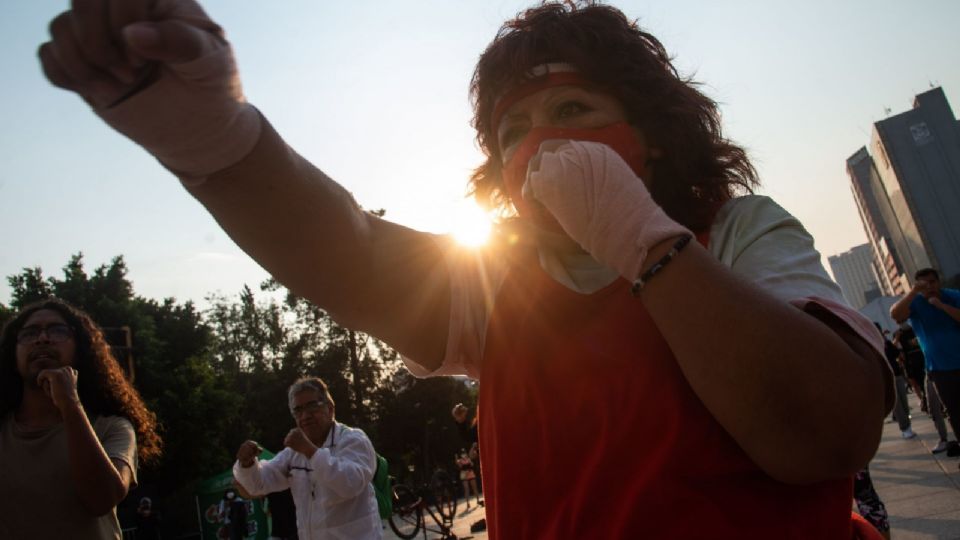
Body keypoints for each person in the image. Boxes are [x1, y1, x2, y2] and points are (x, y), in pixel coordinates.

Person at [38, 2, 893, 538]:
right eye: (513, 129)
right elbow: (358, 251)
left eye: (572, 109)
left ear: (656, 135)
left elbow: (824, 434)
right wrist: (214, 140)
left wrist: (642, 239)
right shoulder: (499, 290)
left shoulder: (737, 232)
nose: (541, 142)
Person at [0, 298, 162, 539]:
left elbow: (101, 500)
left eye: (57, 330)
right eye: (29, 333)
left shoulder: (112, 427)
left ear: (81, 349)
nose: (42, 338)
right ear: (12, 354)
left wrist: (70, 403)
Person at [232, 378, 381, 539]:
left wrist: (310, 451)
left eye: (312, 406)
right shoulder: (294, 453)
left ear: (330, 409)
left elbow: (350, 483)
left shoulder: (353, 439)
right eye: (298, 410)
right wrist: (247, 464)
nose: (305, 416)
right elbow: (259, 484)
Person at [891, 268, 960, 464]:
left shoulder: (952, 296)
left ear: (939, 282)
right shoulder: (916, 303)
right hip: (940, 368)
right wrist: (913, 293)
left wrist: (941, 306)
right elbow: (896, 315)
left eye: (932, 282)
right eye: (923, 284)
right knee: (954, 412)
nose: (929, 287)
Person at [877, 323, 914, 439]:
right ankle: (905, 428)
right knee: (897, 404)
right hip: (887, 379)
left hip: (897, 376)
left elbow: (897, 354)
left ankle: (907, 425)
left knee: (904, 402)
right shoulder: (873, 346)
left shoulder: (887, 344)